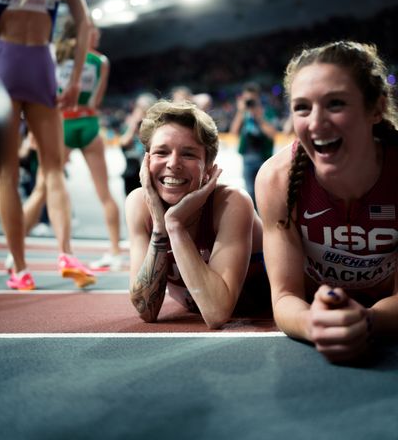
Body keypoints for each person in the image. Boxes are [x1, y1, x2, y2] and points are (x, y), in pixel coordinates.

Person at [255, 40, 398, 363]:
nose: (316, 123)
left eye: (335, 104)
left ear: (376, 108)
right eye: (302, 107)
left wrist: (367, 320)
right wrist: (313, 323)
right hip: (317, 306)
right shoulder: (276, 179)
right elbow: (285, 296)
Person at [0, 0, 95, 290]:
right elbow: (85, 25)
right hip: (41, 64)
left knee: (6, 172)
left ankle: (19, 267)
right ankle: (67, 252)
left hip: (3, 61)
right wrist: (73, 83)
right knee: (53, 169)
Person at [126, 100, 269, 329]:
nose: (173, 164)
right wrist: (160, 229)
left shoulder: (232, 203)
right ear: (147, 161)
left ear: (209, 168)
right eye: (161, 152)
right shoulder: (139, 205)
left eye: (188, 154)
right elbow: (146, 310)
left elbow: (216, 313)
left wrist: (174, 225)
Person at [22, 19, 123, 272]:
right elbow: (97, 99)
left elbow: (44, 93)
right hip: (88, 122)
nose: (98, 34)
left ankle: (20, 249)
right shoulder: (101, 62)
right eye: (94, 30)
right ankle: (114, 252)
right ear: (83, 32)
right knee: (104, 192)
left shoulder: (56, 55)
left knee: (43, 188)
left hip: (61, 123)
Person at [230, 82, 277, 207]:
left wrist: (259, 116)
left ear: (258, 98)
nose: (250, 102)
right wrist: (240, 112)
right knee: (250, 193)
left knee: (266, 193)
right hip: (247, 158)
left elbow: (272, 134)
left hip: (264, 158)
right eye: (247, 99)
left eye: (252, 99)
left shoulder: (266, 112)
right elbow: (234, 132)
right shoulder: (243, 114)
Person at [119, 92, 157, 196]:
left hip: (150, 173)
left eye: (144, 109)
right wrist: (134, 124)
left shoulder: (155, 126)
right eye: (139, 108)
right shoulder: (129, 124)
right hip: (131, 172)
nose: (141, 112)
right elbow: (124, 143)